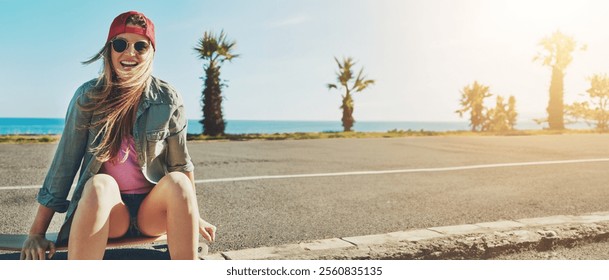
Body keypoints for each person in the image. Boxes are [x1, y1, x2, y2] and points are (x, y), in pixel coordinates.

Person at [20, 11, 216, 260]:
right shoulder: (88, 97)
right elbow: (64, 165)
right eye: (121, 44)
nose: (130, 53)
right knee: (100, 184)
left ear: (151, 52)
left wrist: (193, 215)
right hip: (109, 212)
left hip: (151, 213)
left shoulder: (168, 98)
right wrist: (37, 232)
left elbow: (181, 164)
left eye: (140, 46)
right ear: (109, 50)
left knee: (178, 181)